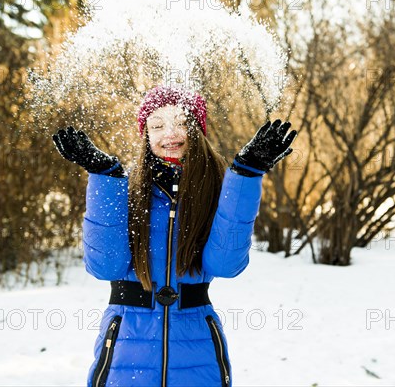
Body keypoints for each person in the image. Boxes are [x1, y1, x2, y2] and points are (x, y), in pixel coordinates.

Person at [52, 85, 298, 387]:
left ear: (199, 130)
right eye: (157, 125)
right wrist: (105, 176)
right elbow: (105, 267)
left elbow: (226, 265)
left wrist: (247, 174)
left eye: (183, 122)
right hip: (126, 346)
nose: (170, 134)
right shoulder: (125, 192)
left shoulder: (218, 191)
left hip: (197, 348)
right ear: (145, 134)